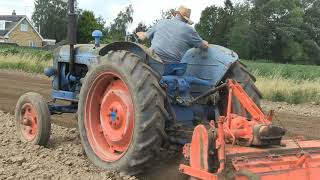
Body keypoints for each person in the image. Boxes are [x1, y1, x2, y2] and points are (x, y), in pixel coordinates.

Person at [136, 5, 209, 63]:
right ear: (186, 19)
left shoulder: (161, 22)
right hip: (171, 67)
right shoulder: (189, 30)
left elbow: (143, 37)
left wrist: (139, 34)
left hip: (152, 60)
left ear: (175, 14)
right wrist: (205, 42)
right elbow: (204, 46)